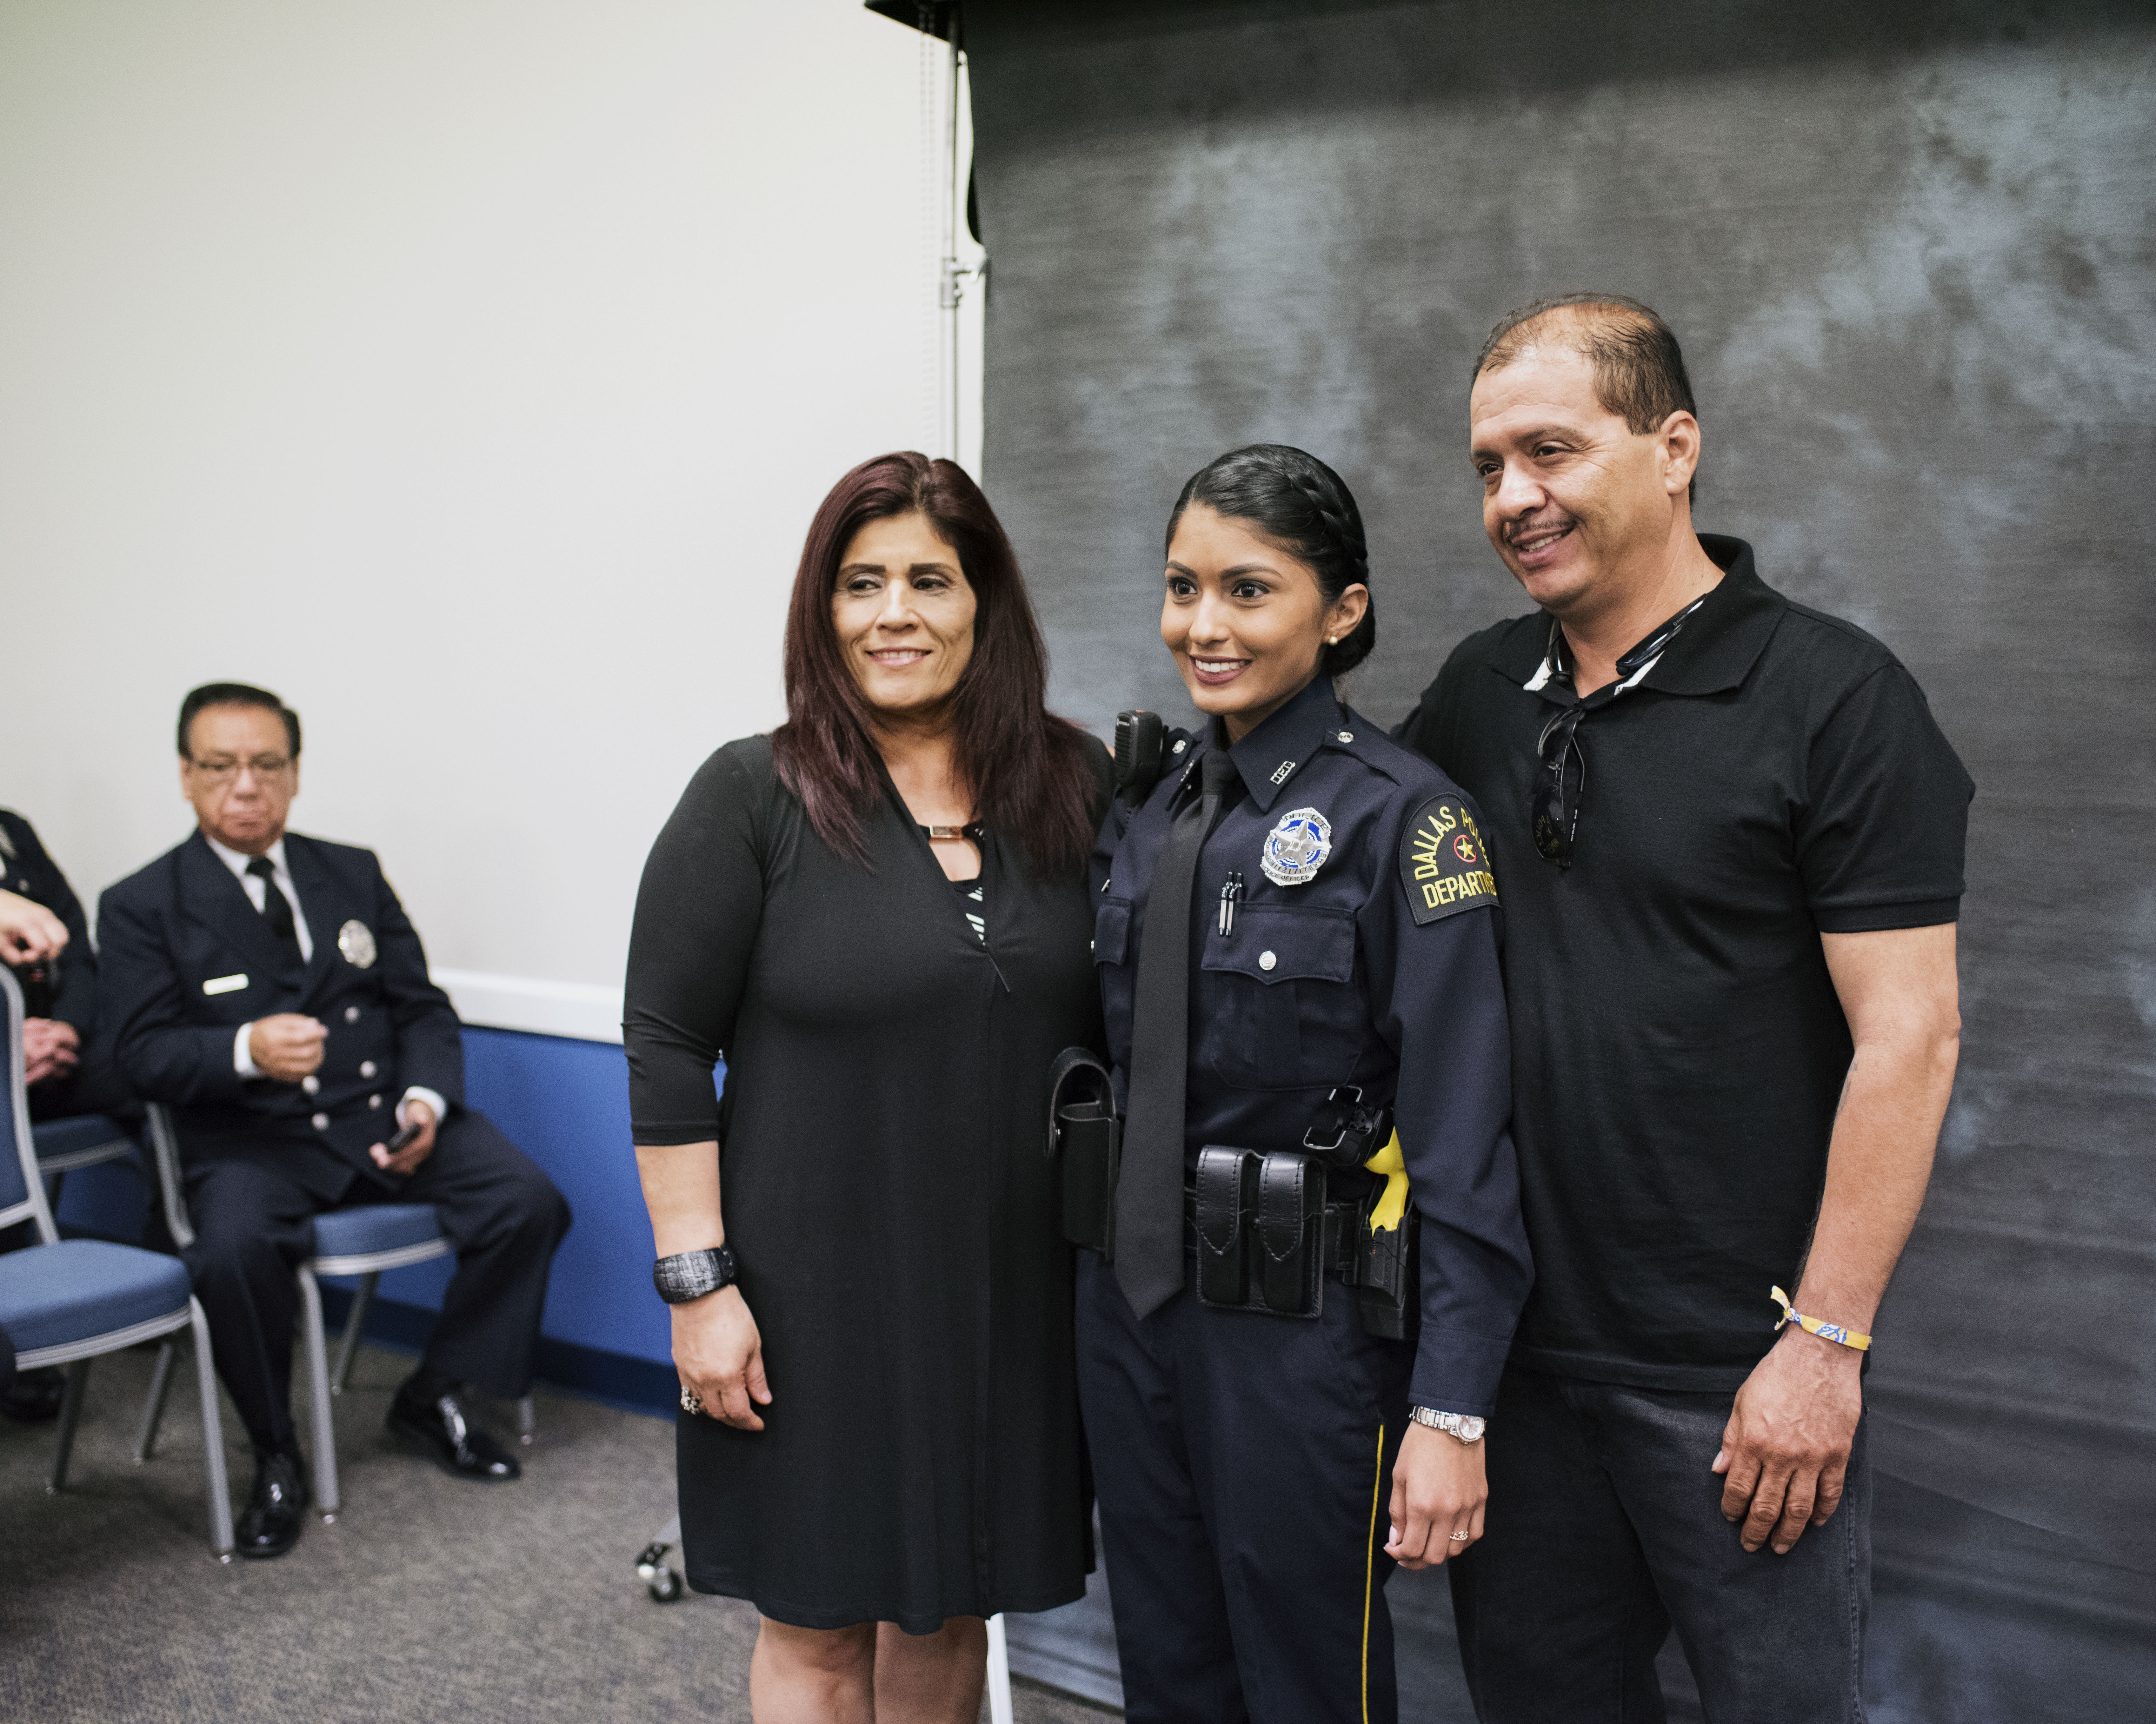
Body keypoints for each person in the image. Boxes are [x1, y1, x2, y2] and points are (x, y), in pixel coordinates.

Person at [1394, 294, 1970, 1722]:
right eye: (1487, 467)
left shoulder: (1834, 699)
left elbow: (1912, 1037)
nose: (1513, 499)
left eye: (1550, 452)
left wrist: (1823, 1346)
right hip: (1520, 1368)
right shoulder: (1478, 691)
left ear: (1673, 448)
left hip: (1737, 1381)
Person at [623, 452, 1105, 1724]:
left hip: (1008, 1300)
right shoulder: (753, 793)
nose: (894, 612)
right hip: (807, 1301)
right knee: (818, 1623)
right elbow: (665, 1042)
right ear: (822, 610)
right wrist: (698, 1288)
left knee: (949, 1610)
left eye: (930, 580)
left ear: (984, 602)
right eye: (861, 582)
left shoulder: (1074, 787)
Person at [1080, 444, 1533, 1723]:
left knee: (1304, 1682)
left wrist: (1452, 1402)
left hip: (1298, 1328)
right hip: (1129, 1310)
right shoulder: (1148, 805)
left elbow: (1462, 1136)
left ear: (1340, 611)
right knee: (1166, 1665)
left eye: (1248, 589)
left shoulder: (1404, 820)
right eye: (1182, 587)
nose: (1202, 625)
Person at [97, 682, 573, 1560]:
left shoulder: (349, 870)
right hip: (251, 1139)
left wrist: (425, 1099)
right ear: (186, 775)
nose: (246, 785)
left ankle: (434, 1390)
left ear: (295, 772)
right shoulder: (142, 902)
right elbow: (135, 1056)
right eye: (220, 766)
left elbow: (420, 1006)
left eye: (266, 763)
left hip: (374, 1117)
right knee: (230, 1250)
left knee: (526, 1199)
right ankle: (276, 1450)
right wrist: (243, 1047)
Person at [1, 812, 137, 1123]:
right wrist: (9, 1047)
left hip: (48, 1048)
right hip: (8, 1055)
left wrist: (66, 1029)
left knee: (146, 1062)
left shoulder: (11, 832)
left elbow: (75, 952)